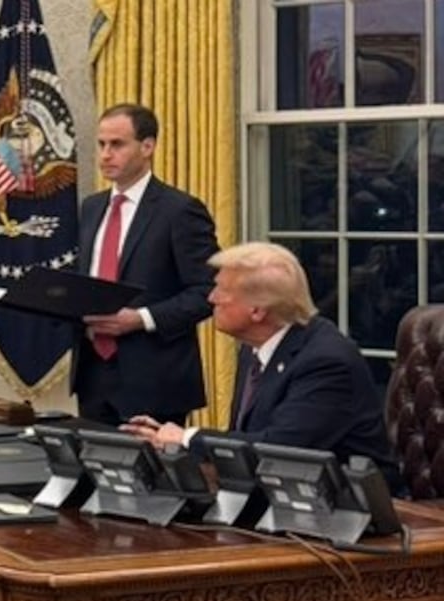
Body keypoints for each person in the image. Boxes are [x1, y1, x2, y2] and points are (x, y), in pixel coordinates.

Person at [121, 242, 403, 493]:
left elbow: (279, 451)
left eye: (222, 291)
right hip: (277, 497)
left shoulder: (326, 361)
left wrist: (186, 438)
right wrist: (170, 444)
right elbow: (249, 445)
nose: (211, 298)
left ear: (257, 311)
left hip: (351, 510)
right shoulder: (255, 347)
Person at [74, 103, 220, 427]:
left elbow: (208, 290)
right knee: (96, 474)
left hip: (155, 379)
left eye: (117, 144)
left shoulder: (180, 210)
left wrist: (141, 319)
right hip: (93, 374)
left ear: (147, 146)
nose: (106, 155)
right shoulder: (91, 207)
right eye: (101, 144)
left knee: (150, 477)